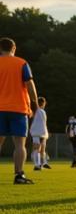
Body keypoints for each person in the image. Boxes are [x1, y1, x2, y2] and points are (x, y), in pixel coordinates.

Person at [0, 37, 39, 185]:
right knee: (19, 144)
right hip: (19, 108)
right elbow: (29, 84)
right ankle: (19, 175)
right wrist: (35, 103)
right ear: (14, 48)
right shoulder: (21, 63)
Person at [30, 96, 50, 170]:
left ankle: (41, 164)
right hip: (36, 132)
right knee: (37, 148)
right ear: (43, 103)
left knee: (41, 149)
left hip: (42, 133)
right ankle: (37, 165)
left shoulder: (43, 112)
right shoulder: (36, 110)